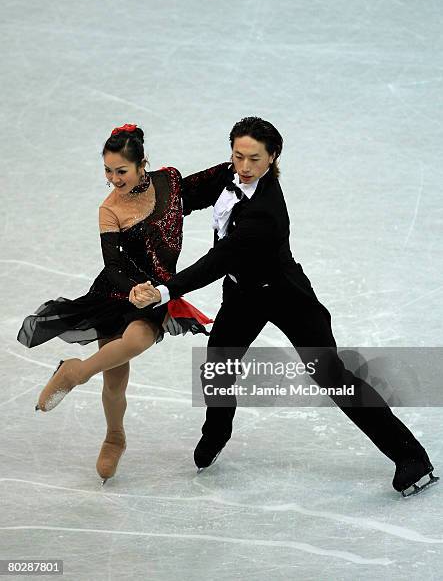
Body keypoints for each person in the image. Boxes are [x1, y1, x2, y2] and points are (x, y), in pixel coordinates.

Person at [133, 116, 438, 497]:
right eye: (238, 156)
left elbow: (219, 259)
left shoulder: (266, 212)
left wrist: (165, 290)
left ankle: (412, 458)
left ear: (273, 157)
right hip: (243, 294)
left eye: (254, 160)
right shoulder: (228, 174)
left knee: (331, 375)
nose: (244, 167)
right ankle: (217, 431)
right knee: (218, 364)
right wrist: (137, 191)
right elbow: (182, 196)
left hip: (285, 295)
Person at [17, 123, 212, 483]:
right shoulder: (109, 209)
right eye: (107, 171)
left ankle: (75, 372)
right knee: (115, 381)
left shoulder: (169, 181)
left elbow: (207, 184)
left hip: (157, 292)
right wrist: (134, 288)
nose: (113, 178)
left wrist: (242, 168)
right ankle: (114, 437)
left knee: (136, 340)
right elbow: (112, 263)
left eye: (120, 170)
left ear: (142, 164)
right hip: (116, 291)